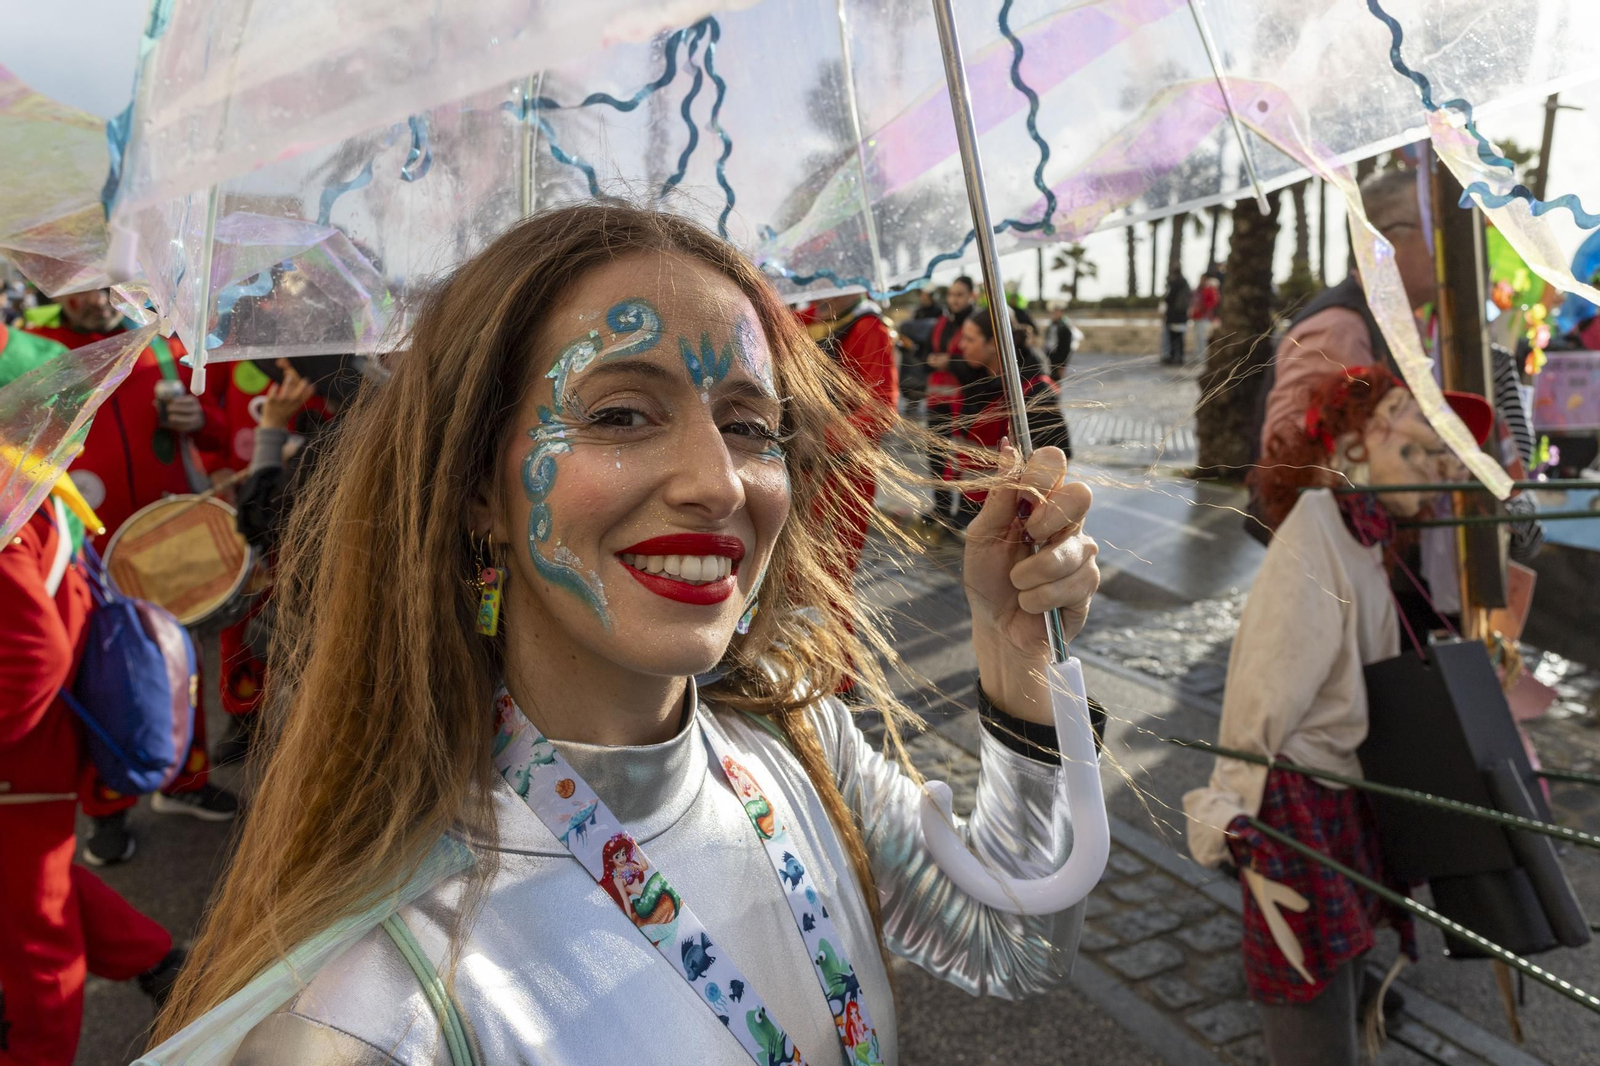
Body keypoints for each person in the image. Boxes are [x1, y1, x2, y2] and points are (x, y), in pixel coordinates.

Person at [149, 204, 1101, 1065]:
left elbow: (1009, 943)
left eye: (748, 423)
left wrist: (1018, 662)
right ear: (478, 485)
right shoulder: (378, 1015)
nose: (719, 482)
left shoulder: (802, 751)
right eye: (620, 414)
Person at [1185, 366, 1494, 1066]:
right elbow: (1263, 690)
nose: (1432, 466)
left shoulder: (1362, 536)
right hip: (1292, 807)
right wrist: (1230, 818)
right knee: (1310, 994)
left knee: (1344, 971)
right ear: (1352, 448)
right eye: (1412, 450)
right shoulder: (1318, 538)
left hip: (1339, 792)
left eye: (1434, 455)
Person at [0, 323, 185, 1066]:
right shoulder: (19, 468)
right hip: (32, 754)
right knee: (26, 890)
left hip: (18, 758)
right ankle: (159, 960)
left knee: (32, 934)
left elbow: (29, 656)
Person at [26, 289, 241, 860]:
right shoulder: (34, 349)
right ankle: (107, 809)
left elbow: (213, 433)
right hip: (88, 552)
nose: (97, 297)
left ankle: (184, 780)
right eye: (85, 286)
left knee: (181, 661)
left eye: (109, 283)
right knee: (105, 676)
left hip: (166, 536)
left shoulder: (159, 341)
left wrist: (202, 419)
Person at [954, 310, 1071, 530]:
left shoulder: (1033, 391)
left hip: (1010, 523)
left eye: (970, 339)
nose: (962, 345)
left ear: (994, 343)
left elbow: (1060, 456)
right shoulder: (978, 381)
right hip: (972, 506)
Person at [1161, 269, 1192, 366]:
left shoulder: (1173, 285)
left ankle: (1173, 356)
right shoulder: (1186, 286)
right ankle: (1180, 357)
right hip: (1182, 316)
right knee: (1180, 338)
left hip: (1173, 316)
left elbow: (1168, 299)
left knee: (1173, 338)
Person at [1188, 272, 1221, 361]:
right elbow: (1192, 300)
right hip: (1196, 316)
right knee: (1197, 336)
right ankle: (1198, 353)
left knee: (1202, 336)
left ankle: (1203, 355)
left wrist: (1205, 308)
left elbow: (1214, 301)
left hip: (1204, 316)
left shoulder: (1209, 289)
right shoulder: (1197, 289)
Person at [1043, 303, 1076, 380]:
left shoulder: (1065, 328)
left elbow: (1066, 348)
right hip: (1049, 357)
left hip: (1058, 360)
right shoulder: (1051, 326)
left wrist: (1062, 365)